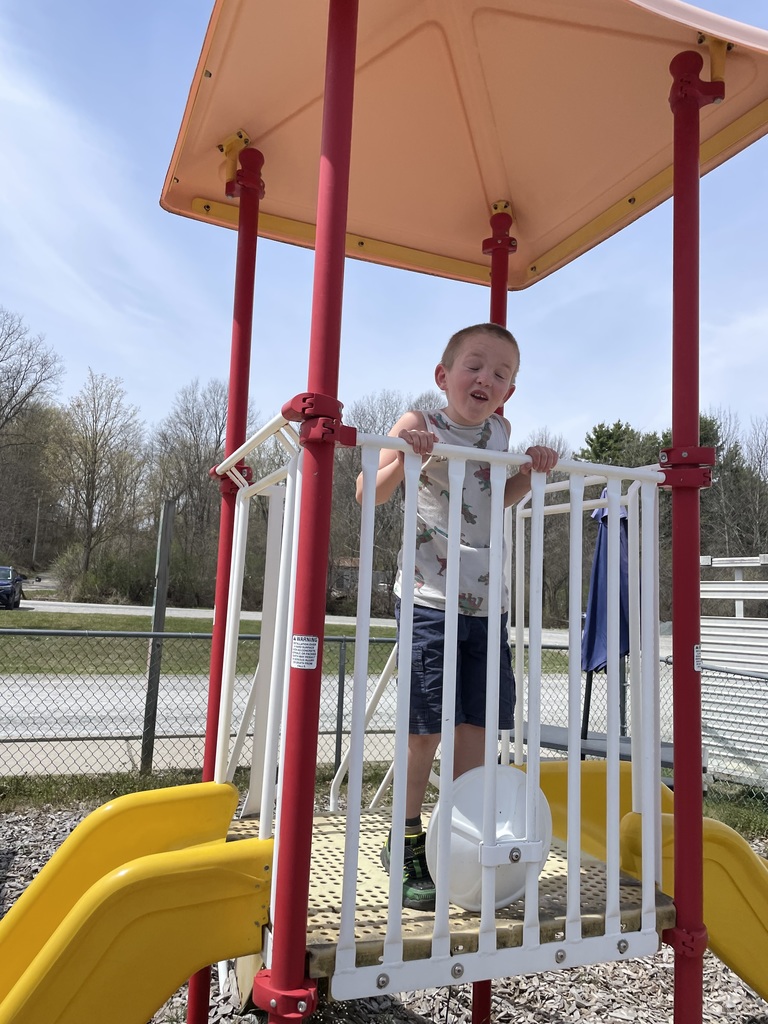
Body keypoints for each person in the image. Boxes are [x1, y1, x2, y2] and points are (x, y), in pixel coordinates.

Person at [355, 322, 559, 911]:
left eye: (501, 375)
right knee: (425, 731)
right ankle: (409, 838)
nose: (486, 380)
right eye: (475, 366)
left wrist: (531, 470)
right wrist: (407, 460)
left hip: (485, 604)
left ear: (509, 394)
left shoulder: (501, 432)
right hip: (430, 598)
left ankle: (461, 838)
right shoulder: (419, 424)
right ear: (444, 376)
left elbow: (502, 496)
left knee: (476, 727)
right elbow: (373, 491)